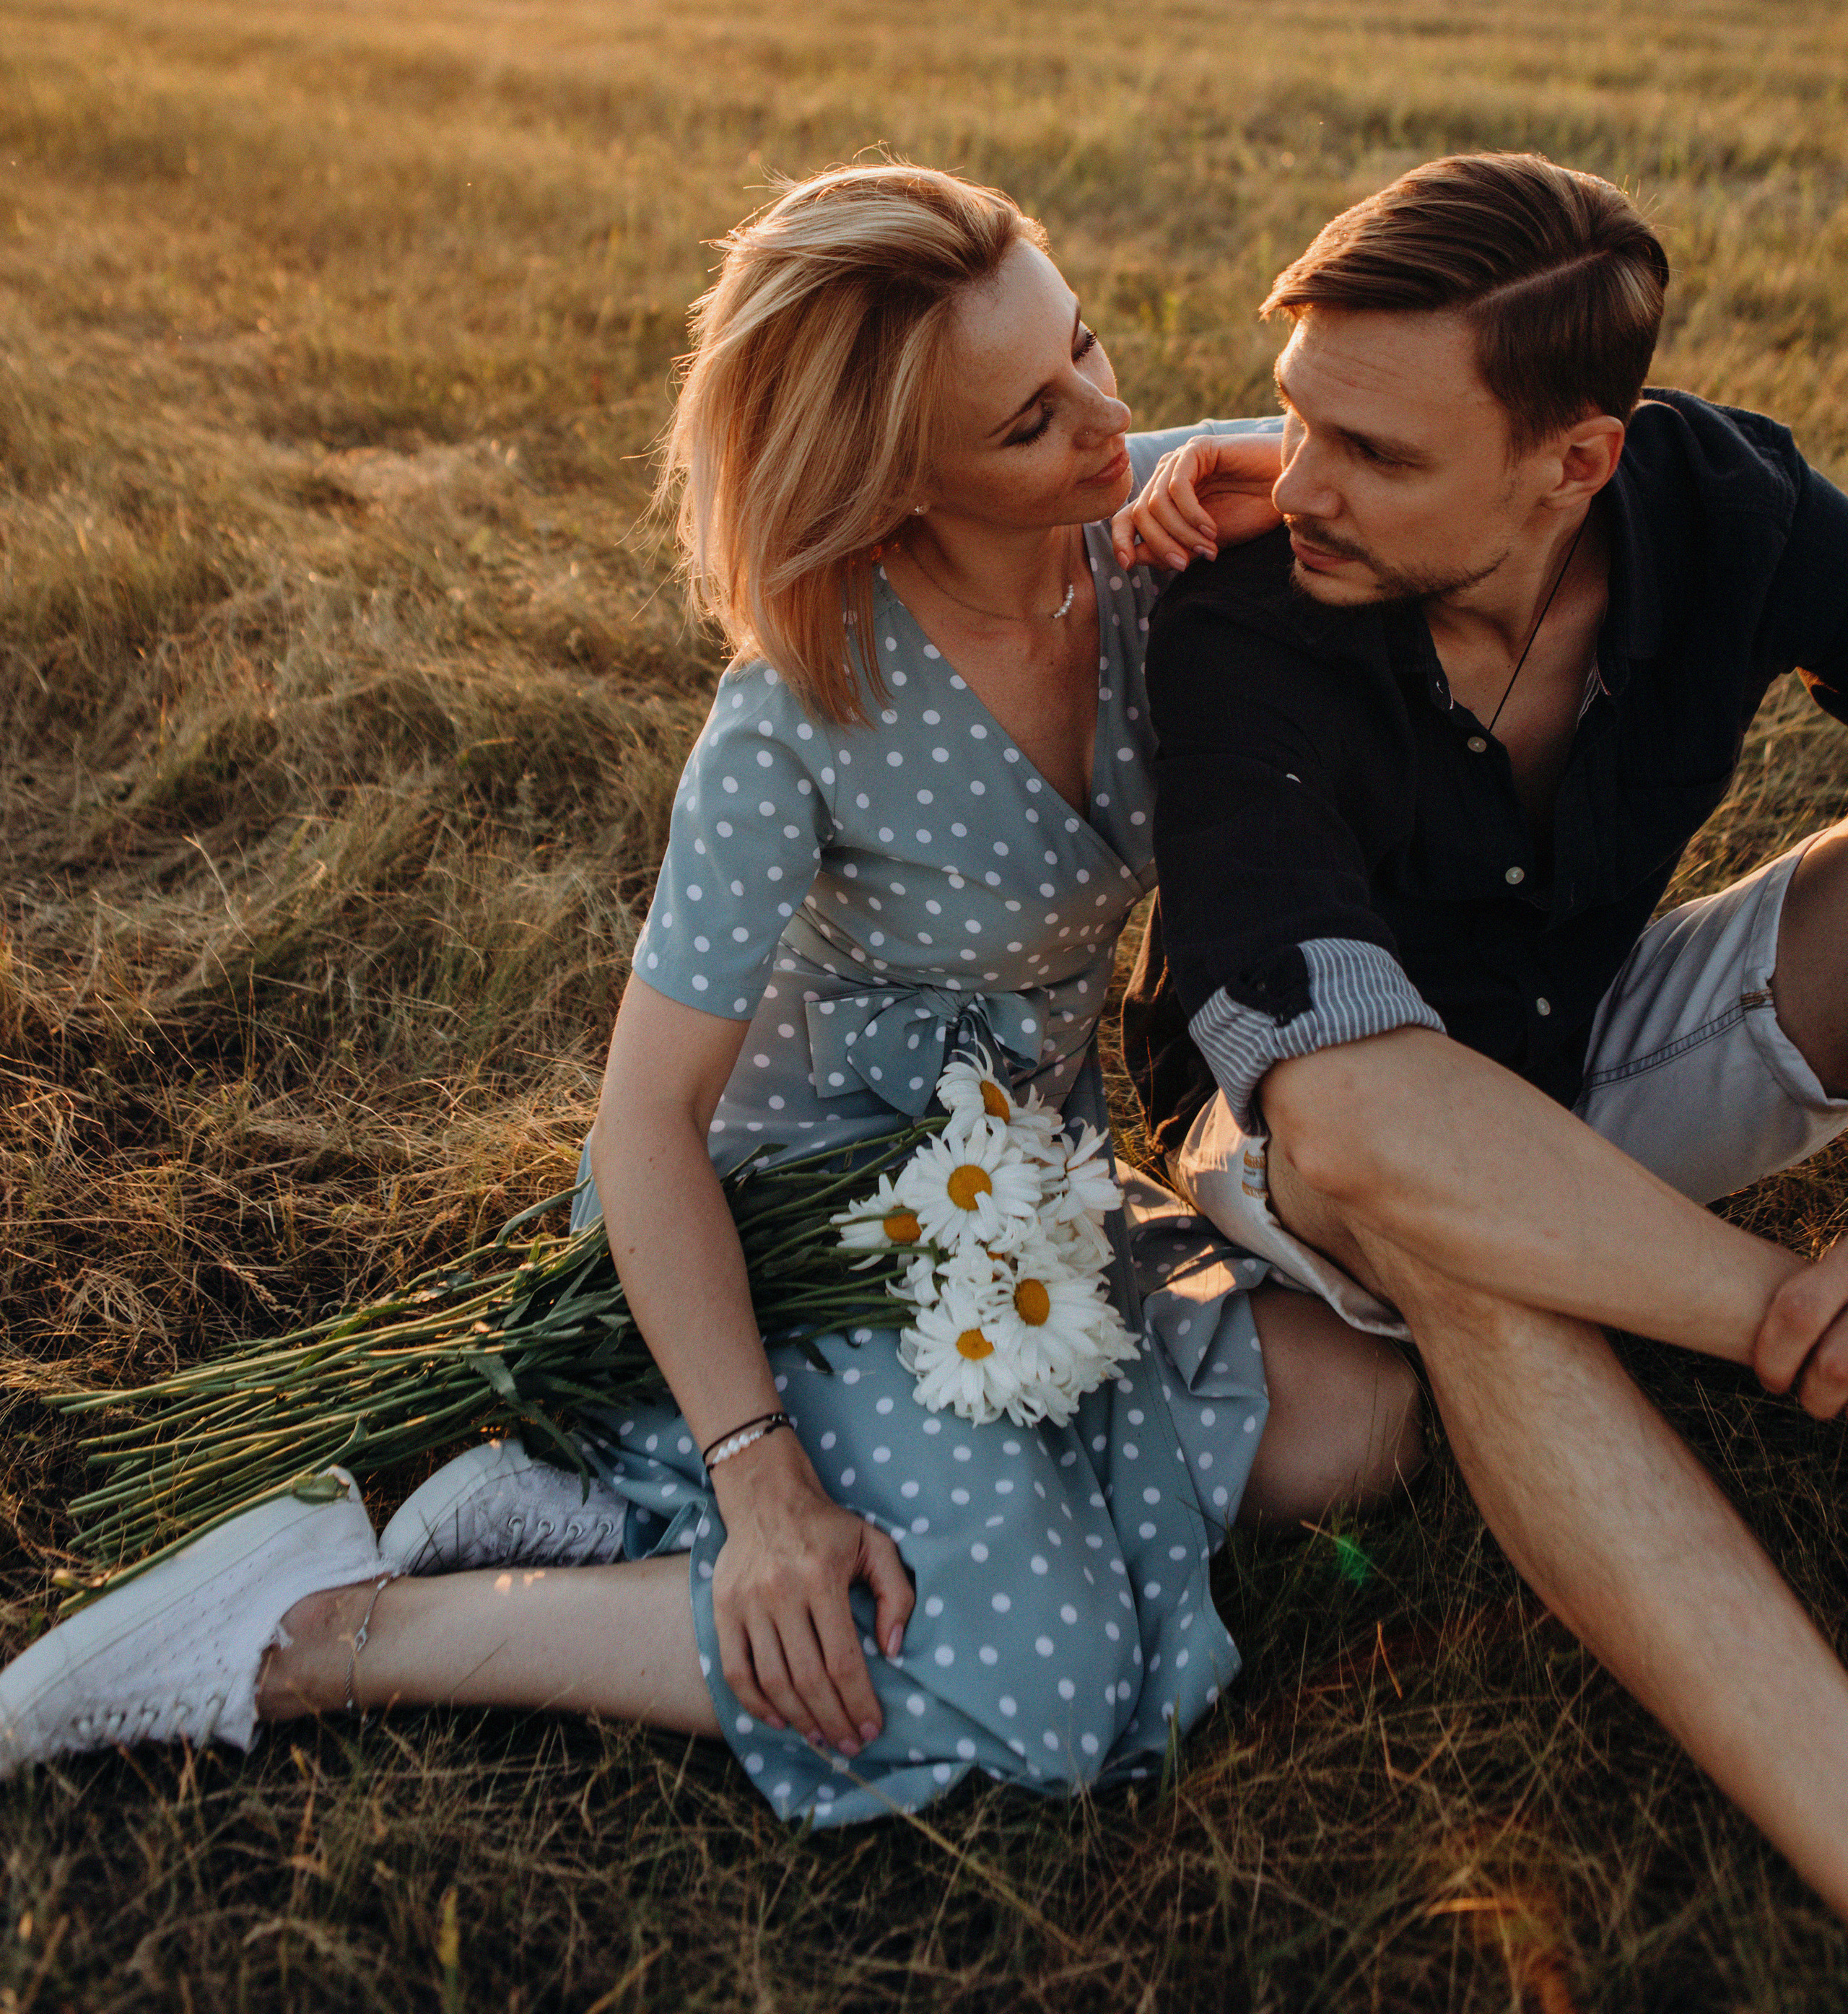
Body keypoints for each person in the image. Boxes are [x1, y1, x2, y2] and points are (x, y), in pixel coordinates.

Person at [0, 162, 1419, 1826]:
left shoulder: (1136, 520)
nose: (1108, 421)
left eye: (1088, 346)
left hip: (1017, 1191)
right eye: (1031, 419)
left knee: (1361, 1422)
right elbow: (648, 1118)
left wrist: (1254, 469)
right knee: (1043, 1682)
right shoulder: (792, 720)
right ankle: (342, 1628)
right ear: (891, 482)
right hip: (800, 1220)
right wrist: (764, 1485)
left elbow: (1359, 493)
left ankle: (603, 1489)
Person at [1110, 150, 1848, 1910]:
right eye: (1292, 420)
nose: (1295, 483)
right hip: (1287, 1144)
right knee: (1420, 1196)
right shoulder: (1240, 613)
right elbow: (1335, 1111)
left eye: (1372, 454)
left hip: (1586, 1053)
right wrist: (1785, 1310)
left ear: (1573, 461)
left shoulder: (1721, 505)